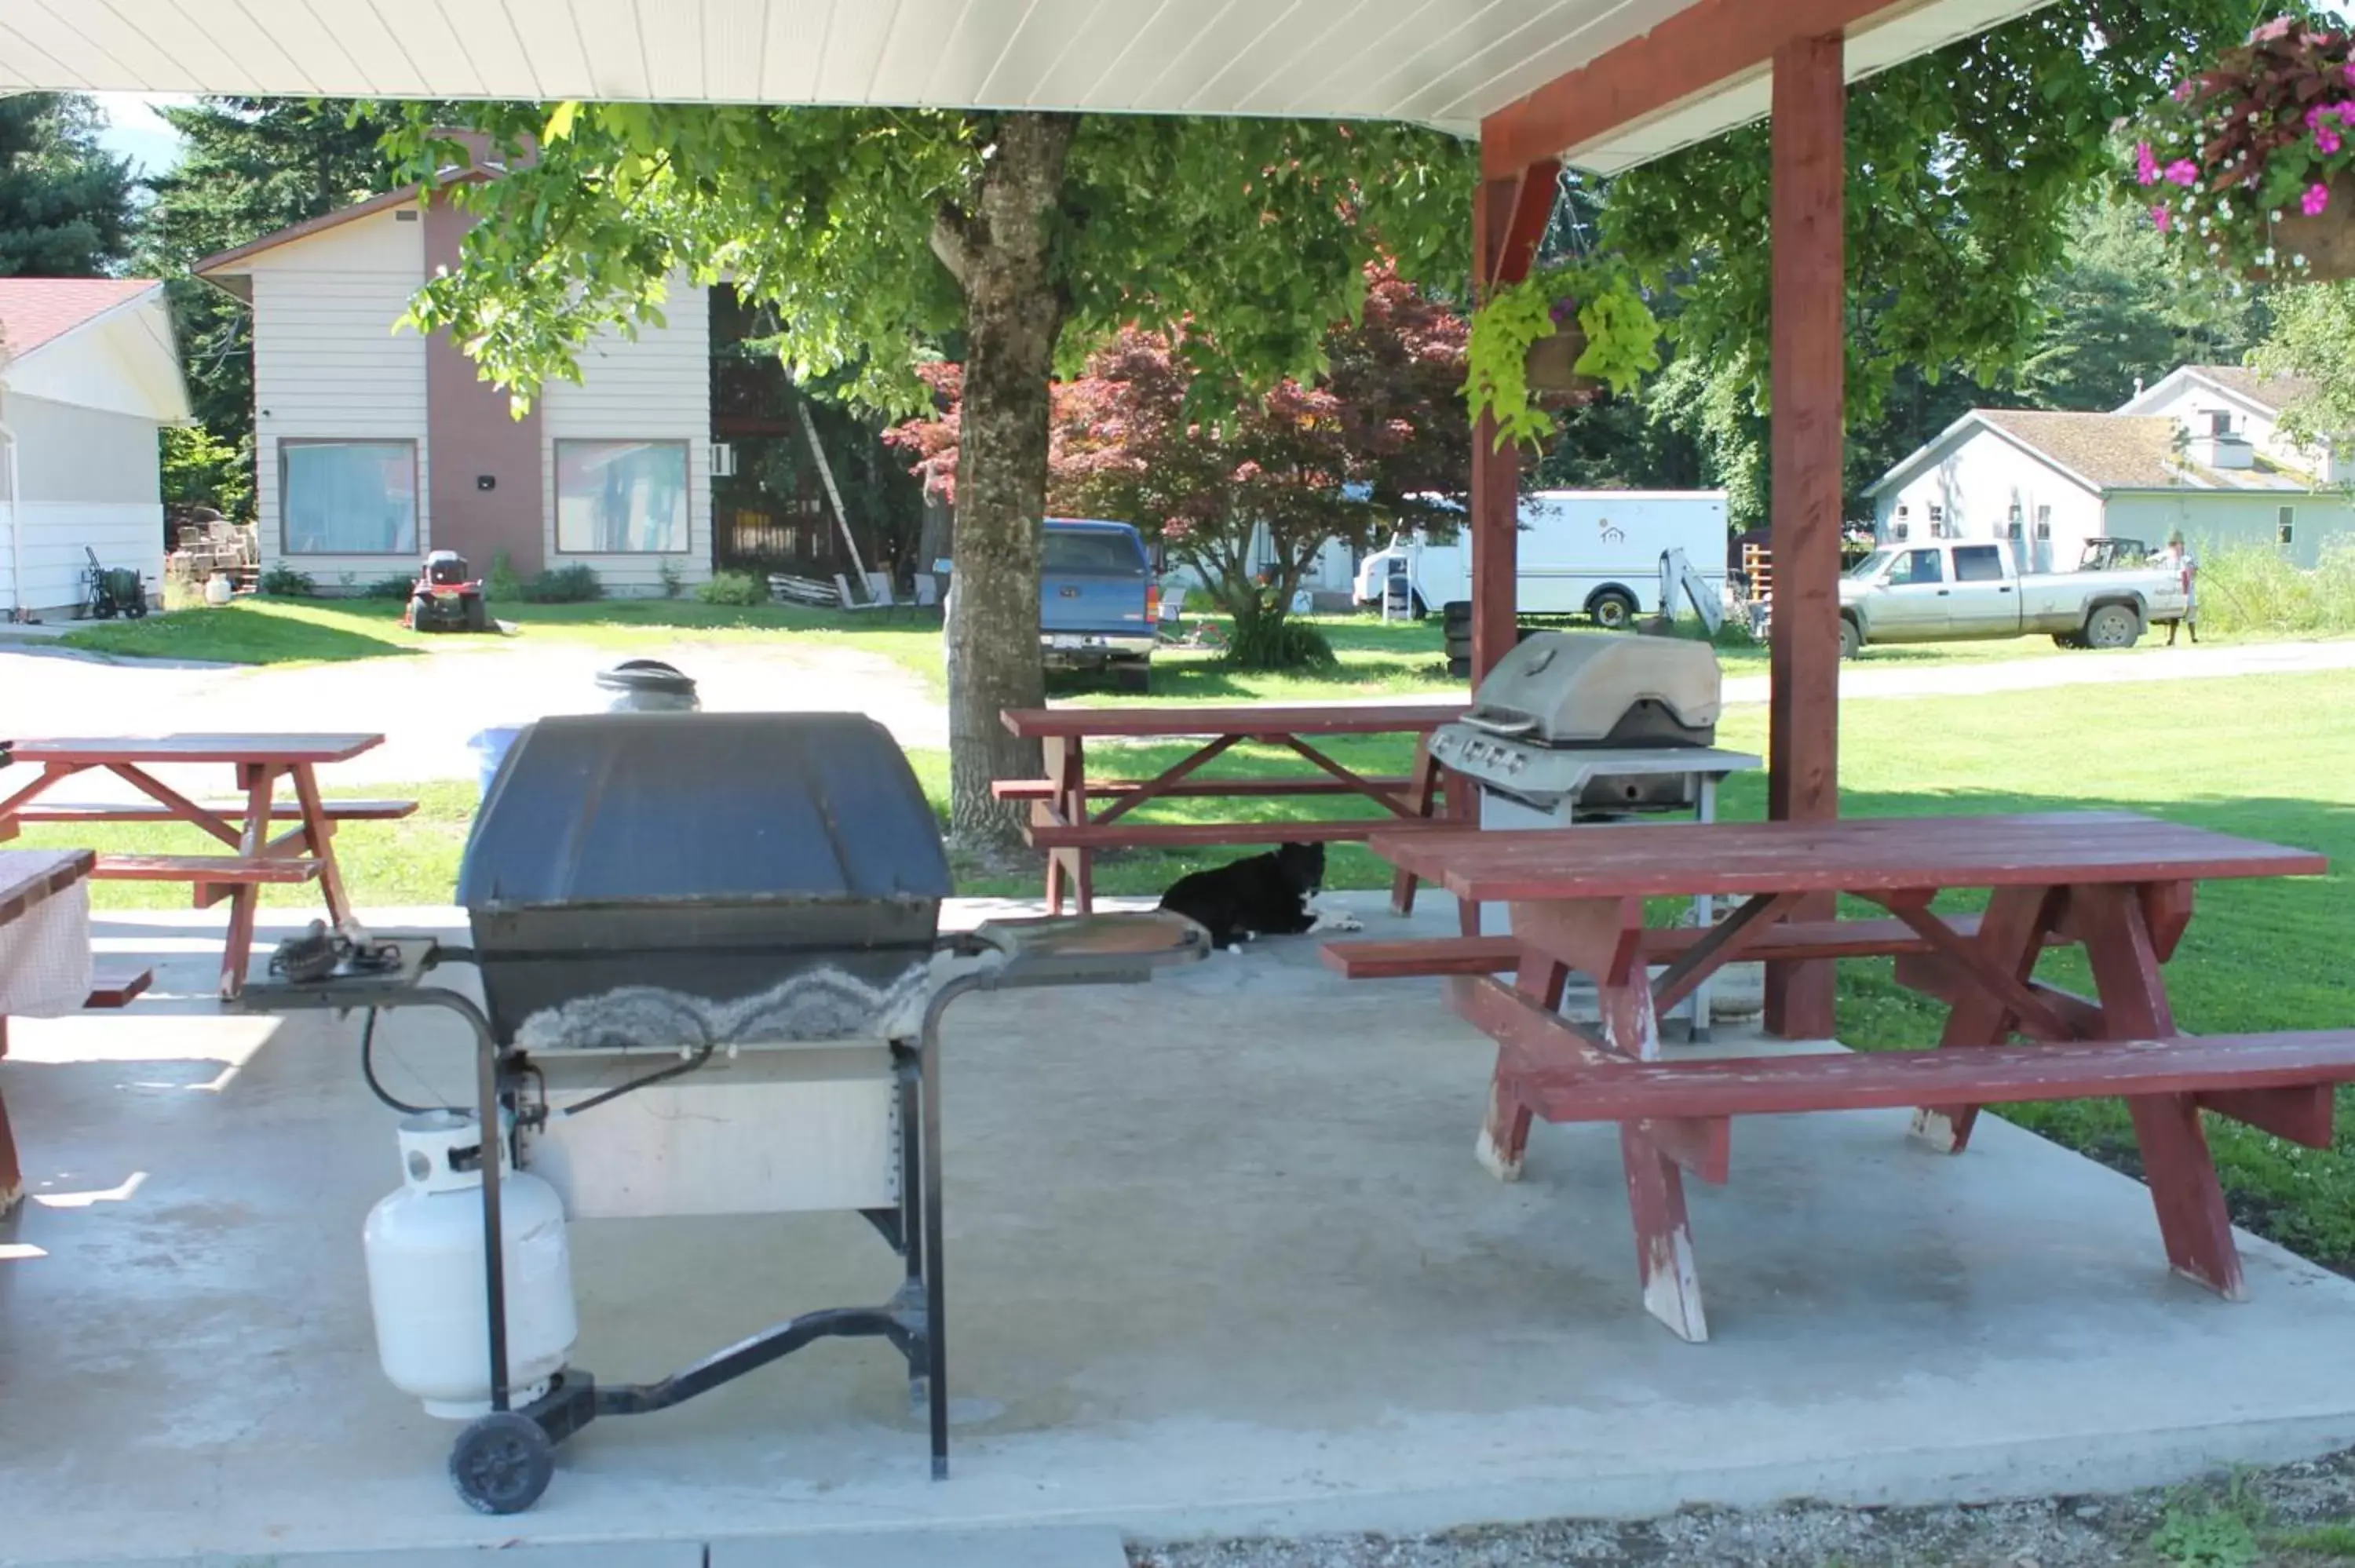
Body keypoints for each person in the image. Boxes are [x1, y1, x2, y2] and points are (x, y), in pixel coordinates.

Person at [2159, 531, 2199, 645]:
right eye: (2173, 545)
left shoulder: (2187, 558)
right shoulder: (2167, 560)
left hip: (2188, 589)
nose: (2176, 547)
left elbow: (2194, 572)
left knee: (2191, 612)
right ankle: (2171, 639)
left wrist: (2190, 568)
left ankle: (2193, 637)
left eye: (2178, 544)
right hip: (2175, 591)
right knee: (2174, 615)